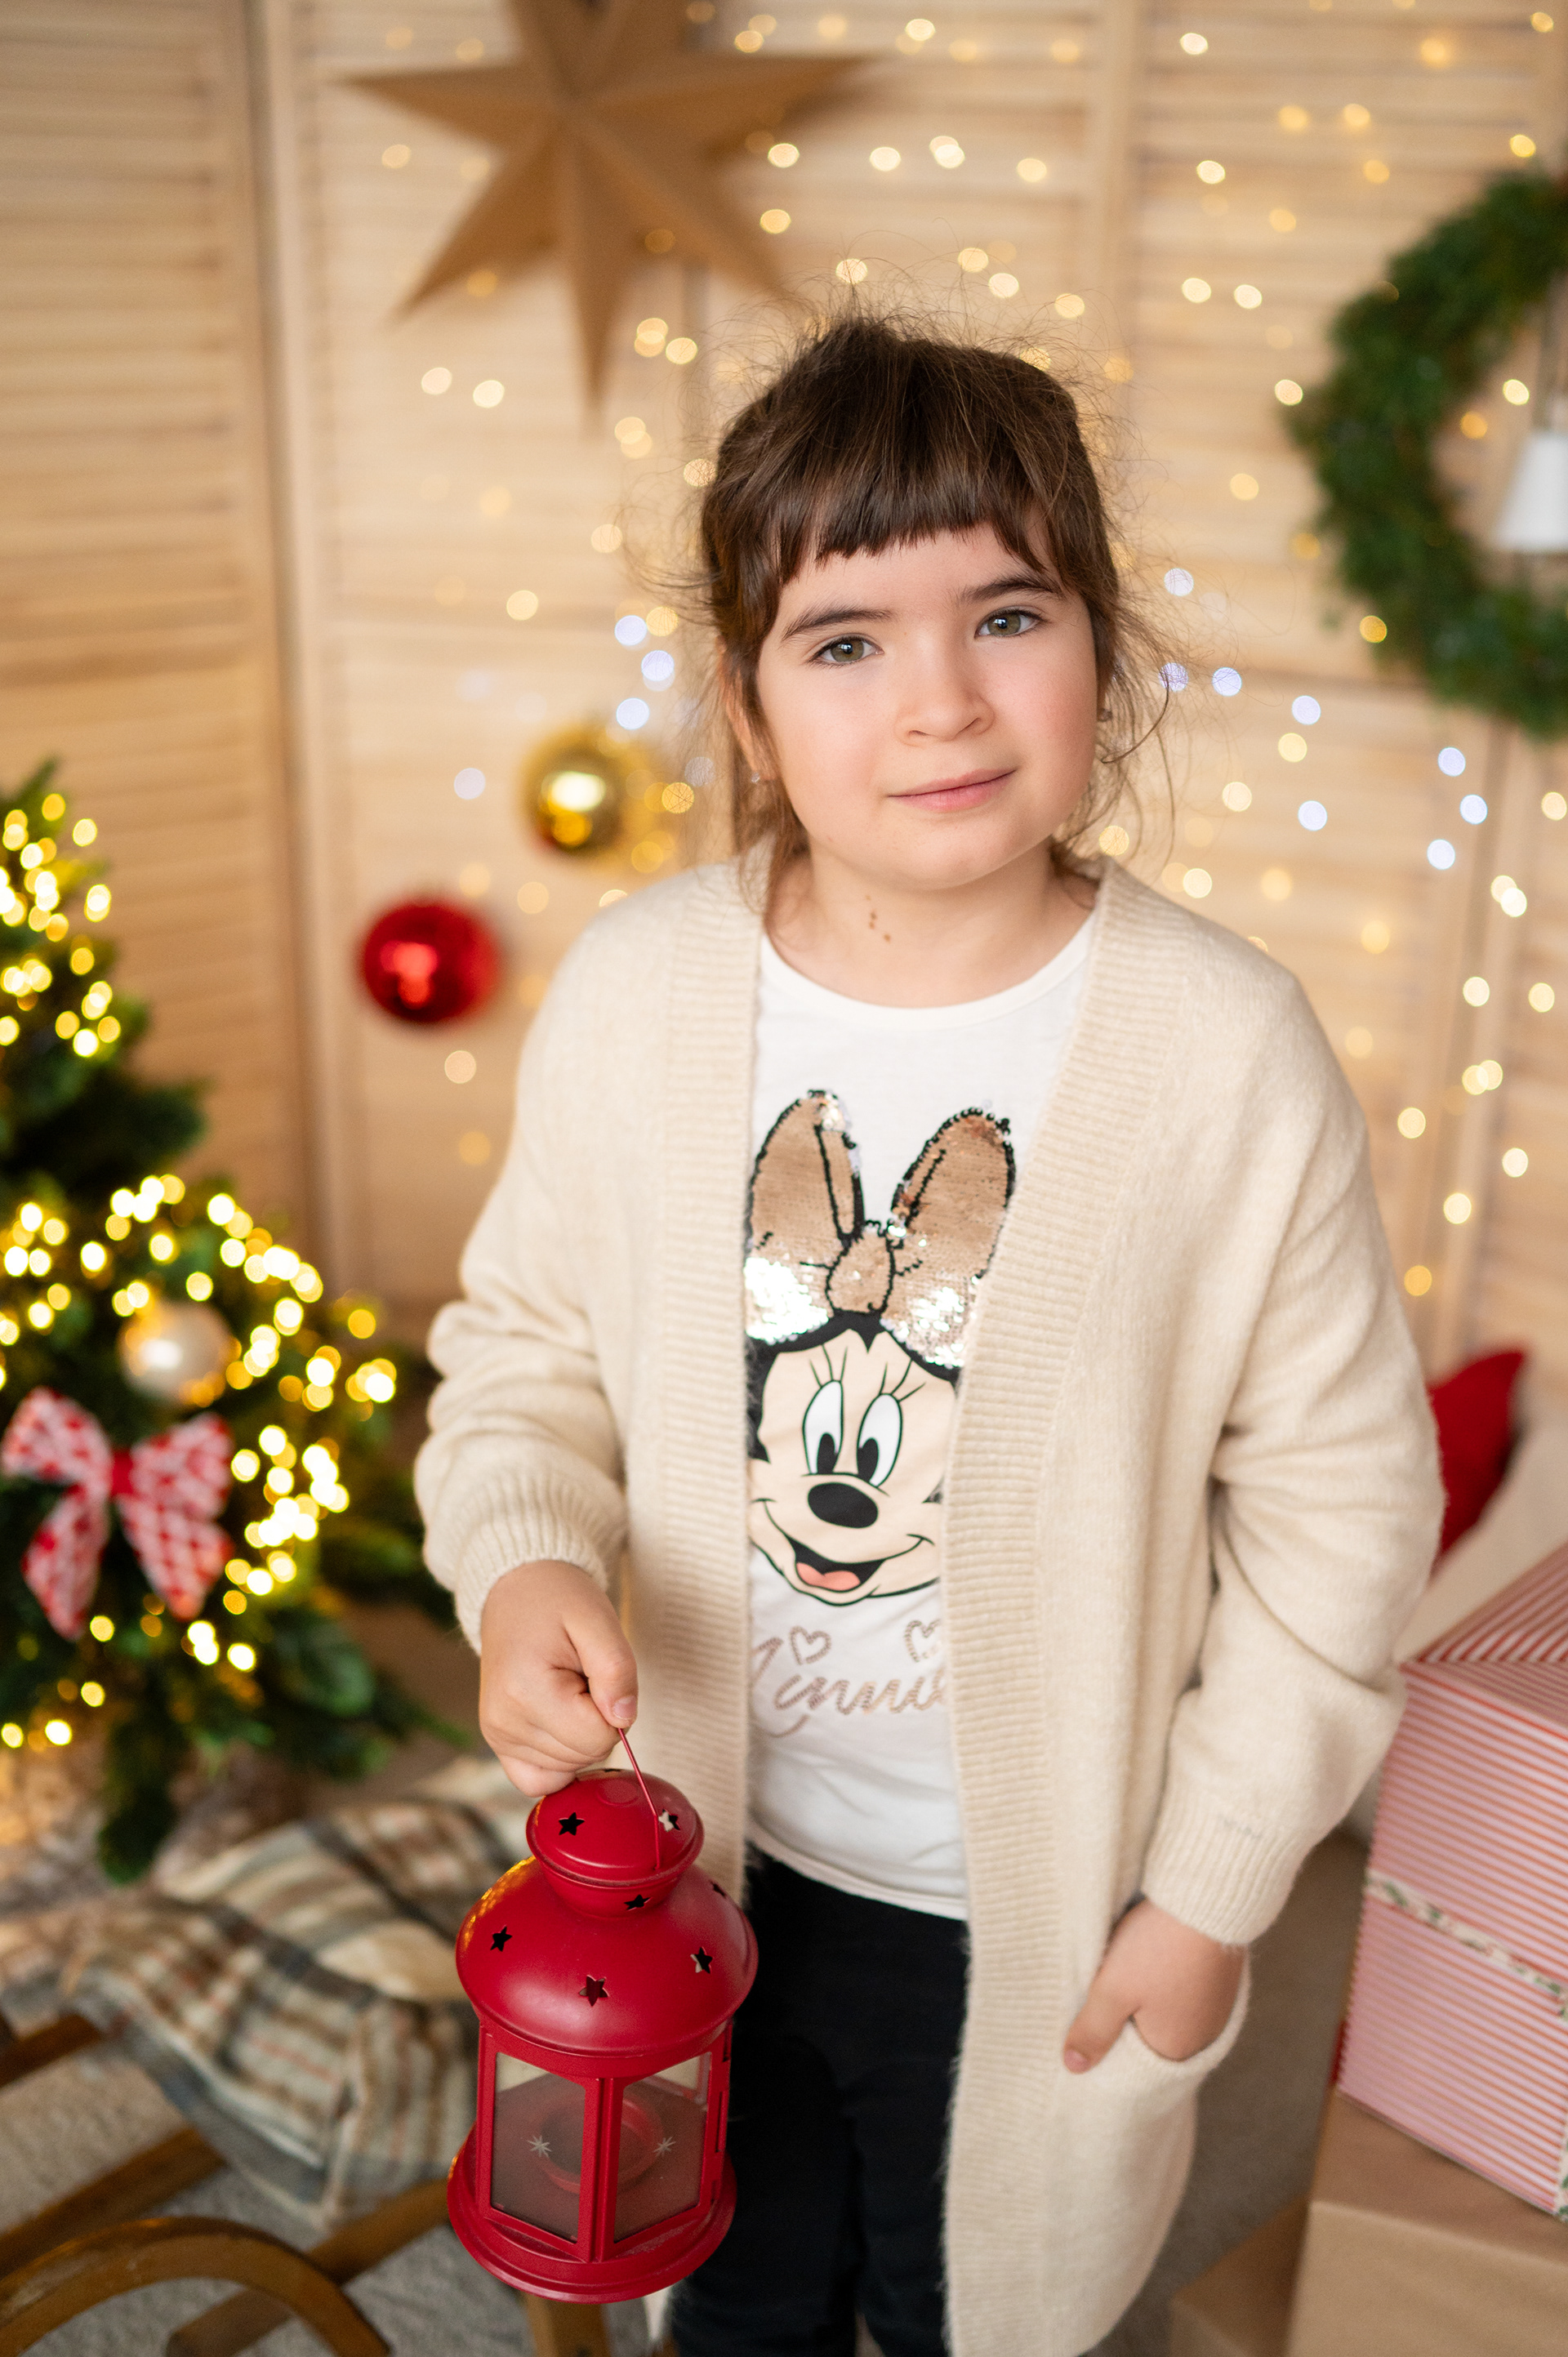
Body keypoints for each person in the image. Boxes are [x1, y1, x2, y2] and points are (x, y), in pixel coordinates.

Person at [416, 314, 1441, 2357]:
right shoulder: (635, 997)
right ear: (745, 701)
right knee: (736, 2291)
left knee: (983, 2305)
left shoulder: (1222, 1049)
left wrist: (1209, 1892)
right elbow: (525, 1351)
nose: (942, 700)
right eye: (845, 641)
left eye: (1008, 614)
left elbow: (1341, 1511)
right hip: (696, 1867)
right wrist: (520, 1561)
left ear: (1104, 650)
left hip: (1029, 1909)